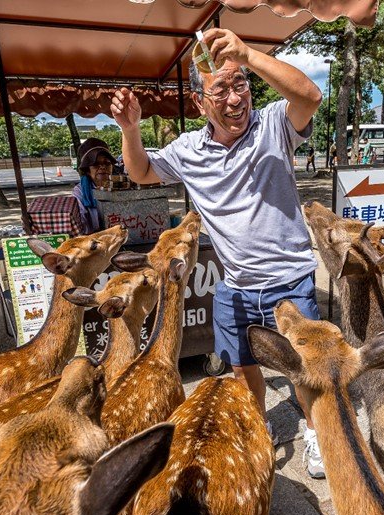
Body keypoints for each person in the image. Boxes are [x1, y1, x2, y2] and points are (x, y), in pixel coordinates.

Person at [111, 28, 327, 478]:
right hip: (235, 288)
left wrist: (249, 54)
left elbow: (309, 96)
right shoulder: (188, 150)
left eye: (240, 84)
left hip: (290, 279)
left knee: (304, 369)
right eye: (221, 89)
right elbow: (141, 170)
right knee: (242, 368)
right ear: (200, 103)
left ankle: (316, 433)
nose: (234, 99)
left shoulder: (272, 125)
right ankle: (257, 425)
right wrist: (129, 129)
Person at [71, 137, 117, 234]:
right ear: (87, 170)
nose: (103, 167)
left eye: (107, 163)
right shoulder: (79, 192)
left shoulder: (121, 186)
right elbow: (80, 223)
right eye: (96, 164)